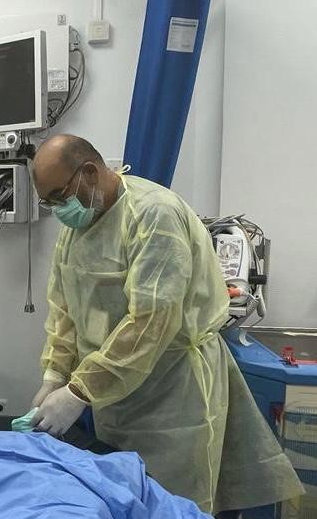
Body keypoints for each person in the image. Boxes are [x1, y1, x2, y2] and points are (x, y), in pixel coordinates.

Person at [30, 134, 303, 516]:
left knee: (173, 505)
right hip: (114, 398)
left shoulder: (155, 217)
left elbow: (151, 322)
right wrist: (55, 375)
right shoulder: (77, 228)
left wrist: (79, 392)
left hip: (173, 396)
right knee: (125, 500)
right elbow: (64, 309)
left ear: (89, 173)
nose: (60, 210)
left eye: (60, 196)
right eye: (50, 202)